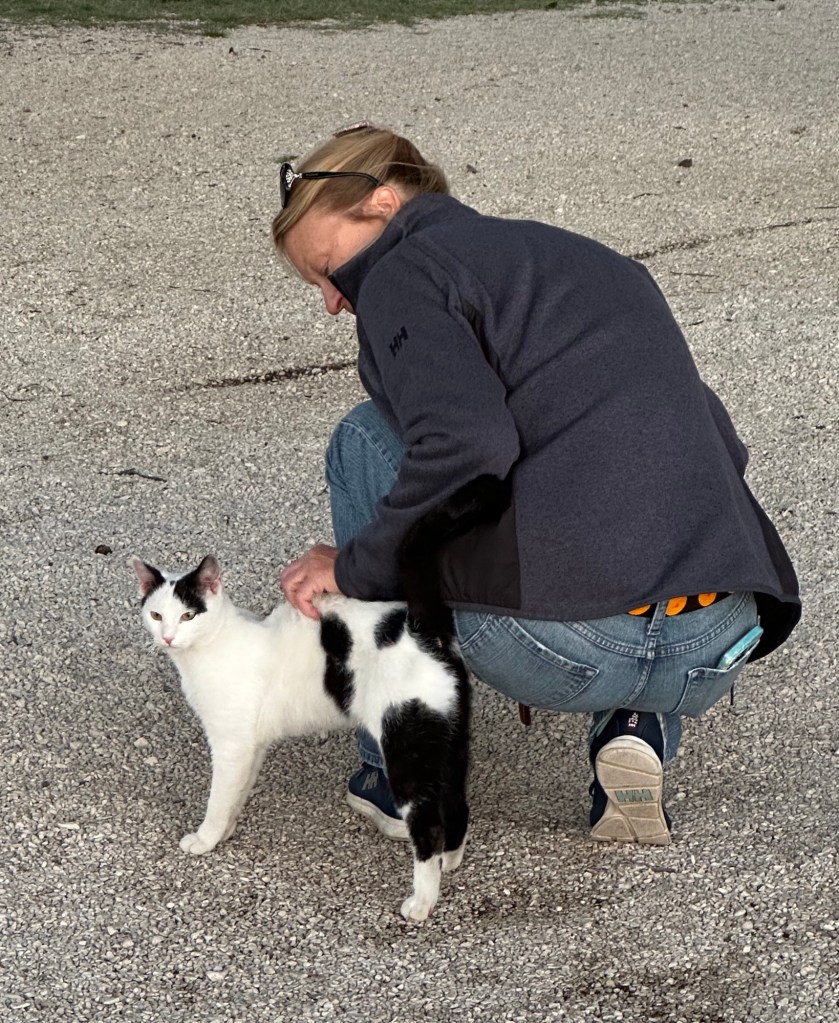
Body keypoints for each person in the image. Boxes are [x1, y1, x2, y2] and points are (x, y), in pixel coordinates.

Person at [273, 122, 800, 847]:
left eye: (328, 269)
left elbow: (466, 446)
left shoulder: (403, 270)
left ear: (384, 203)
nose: (333, 301)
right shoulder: (589, 261)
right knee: (618, 462)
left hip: (564, 649)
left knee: (365, 437)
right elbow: (718, 443)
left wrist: (357, 565)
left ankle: (400, 774)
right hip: (716, 642)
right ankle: (637, 723)